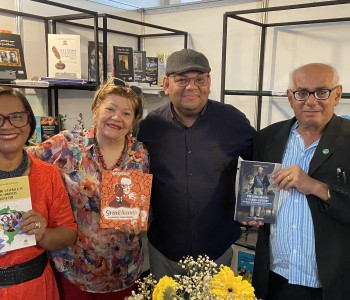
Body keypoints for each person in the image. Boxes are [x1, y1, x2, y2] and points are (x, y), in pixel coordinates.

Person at [137, 48, 255, 280]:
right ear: (166, 84)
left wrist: (254, 206)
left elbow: (260, 162)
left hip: (217, 248)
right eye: (181, 79)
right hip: (164, 251)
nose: (191, 86)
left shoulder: (233, 121)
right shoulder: (150, 126)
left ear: (209, 82)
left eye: (199, 79)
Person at [28, 78, 150, 299]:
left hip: (124, 270)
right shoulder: (66, 145)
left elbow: (141, 204)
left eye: (126, 113)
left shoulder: (139, 153)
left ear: (133, 122)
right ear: (95, 111)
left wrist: (140, 220)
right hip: (74, 270)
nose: (117, 118)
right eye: (110, 109)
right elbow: (24, 161)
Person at [251, 63, 350, 300]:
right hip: (274, 277)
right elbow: (257, 193)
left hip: (330, 282)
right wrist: (253, 215)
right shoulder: (266, 138)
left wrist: (317, 187)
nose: (311, 101)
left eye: (322, 92)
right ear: (290, 96)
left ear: (337, 94)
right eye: (302, 92)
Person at [0, 87, 77, 299]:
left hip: (35, 288)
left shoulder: (48, 174)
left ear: (29, 122)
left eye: (17, 117)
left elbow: (69, 232)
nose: (7, 126)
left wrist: (43, 233)